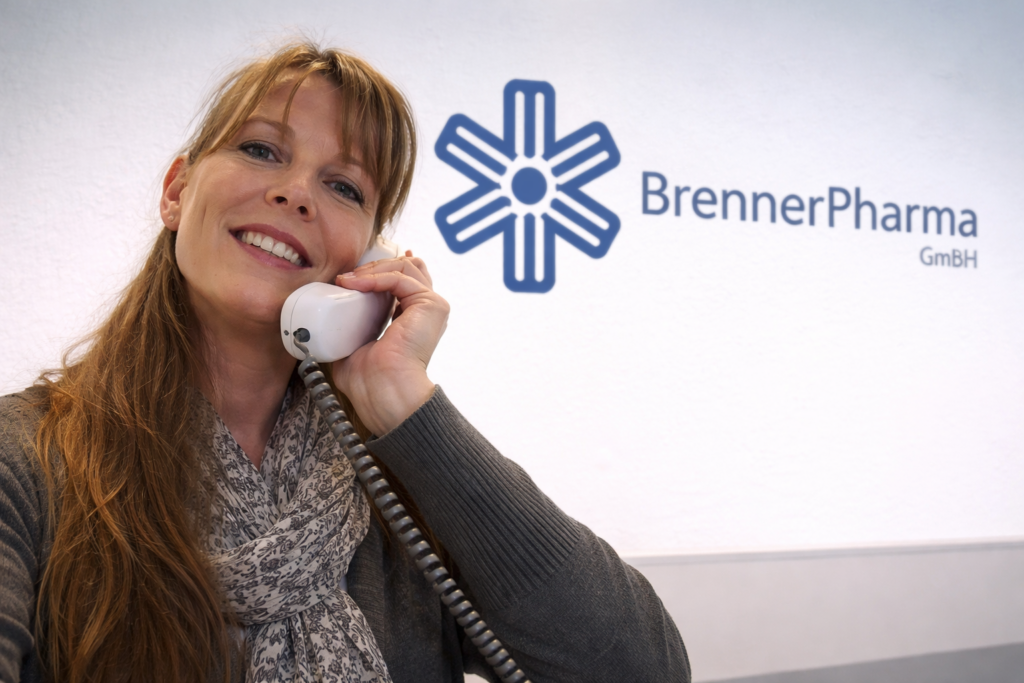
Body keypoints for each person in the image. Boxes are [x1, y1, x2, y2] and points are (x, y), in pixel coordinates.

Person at [0, 43, 690, 683]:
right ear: (177, 191)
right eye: (261, 149)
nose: (296, 192)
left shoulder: (394, 488)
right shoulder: (26, 457)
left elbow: (642, 668)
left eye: (344, 187)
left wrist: (407, 406)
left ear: (367, 257)